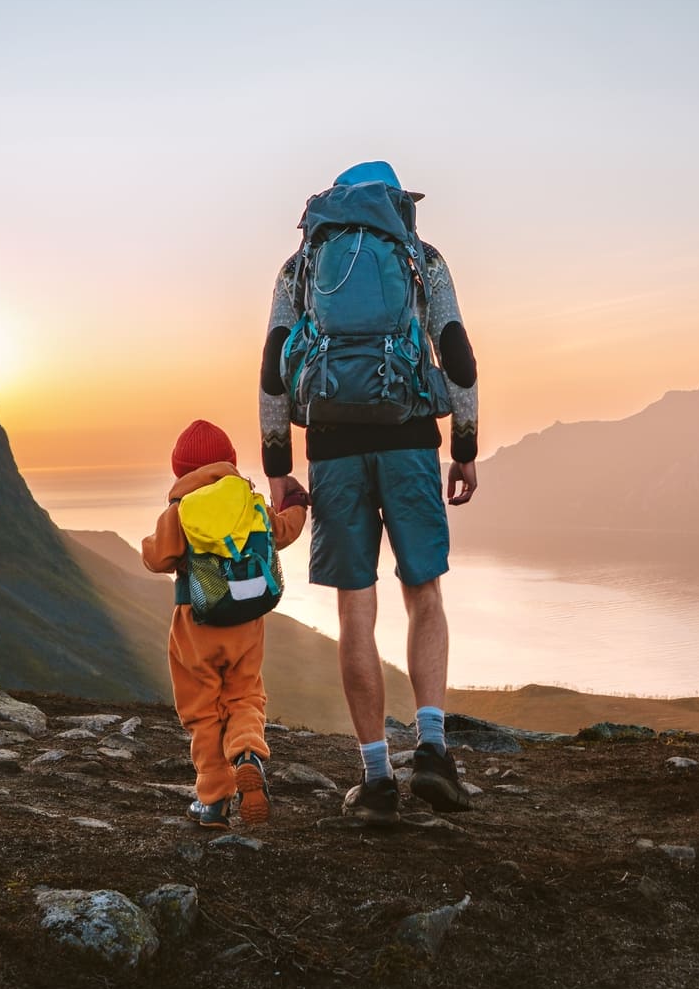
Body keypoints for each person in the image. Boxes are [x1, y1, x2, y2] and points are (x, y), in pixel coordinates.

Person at [258, 161, 480, 823]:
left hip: (332, 447)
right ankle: (434, 752)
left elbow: (273, 366)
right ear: (396, 204)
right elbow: (457, 352)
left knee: (357, 613)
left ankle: (378, 778)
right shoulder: (420, 256)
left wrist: (278, 465)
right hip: (411, 437)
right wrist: (463, 447)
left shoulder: (301, 265)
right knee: (424, 594)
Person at [141, 419, 309, 828]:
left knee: (202, 711)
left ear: (180, 470)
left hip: (196, 623)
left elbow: (157, 558)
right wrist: (299, 503)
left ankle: (214, 801)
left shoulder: (181, 510)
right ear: (230, 462)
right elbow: (283, 531)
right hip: (247, 623)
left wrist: (160, 545)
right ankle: (248, 753)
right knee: (245, 696)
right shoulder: (248, 500)